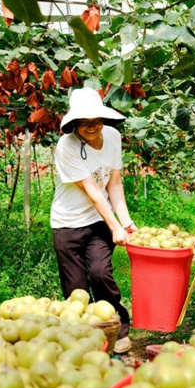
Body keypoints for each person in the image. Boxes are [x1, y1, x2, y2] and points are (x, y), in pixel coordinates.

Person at [51, 87, 136, 353]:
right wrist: (116, 226)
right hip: (67, 223)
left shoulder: (112, 136)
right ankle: (84, 338)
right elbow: (93, 192)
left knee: (101, 274)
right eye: (84, 122)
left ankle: (118, 328)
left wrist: (126, 222)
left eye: (96, 120)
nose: (91, 126)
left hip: (99, 222)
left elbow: (114, 184)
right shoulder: (66, 146)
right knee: (76, 290)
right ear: (74, 123)